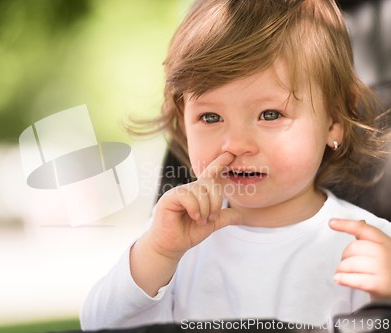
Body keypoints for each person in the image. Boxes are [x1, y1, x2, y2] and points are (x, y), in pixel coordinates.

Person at [80, 0, 391, 330]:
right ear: (185, 126)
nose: (235, 144)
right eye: (210, 117)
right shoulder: (176, 242)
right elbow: (98, 325)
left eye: (270, 115)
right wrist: (157, 253)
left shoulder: (373, 246)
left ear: (334, 120)